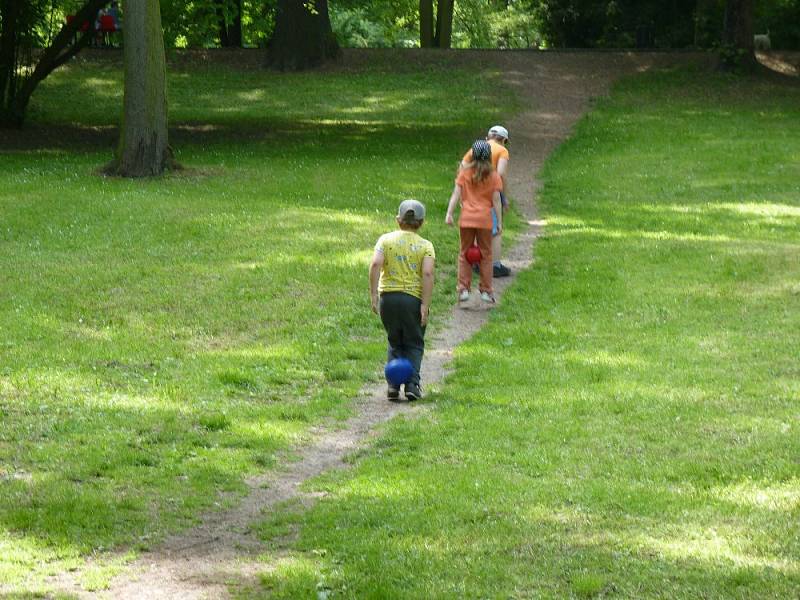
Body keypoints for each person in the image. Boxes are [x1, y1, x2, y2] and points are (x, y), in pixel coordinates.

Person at [369, 199, 435, 401]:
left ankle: (393, 386)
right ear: (421, 222)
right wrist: (425, 304)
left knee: (394, 341)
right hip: (412, 300)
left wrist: (373, 295)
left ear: (398, 220)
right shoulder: (425, 246)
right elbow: (427, 274)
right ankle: (412, 385)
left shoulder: (385, 240)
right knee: (414, 342)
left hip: (388, 299)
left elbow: (375, 264)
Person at [446, 140, 503, 304]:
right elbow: (496, 199)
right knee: (486, 255)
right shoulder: (493, 175)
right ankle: (486, 291)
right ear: (489, 156)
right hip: (485, 219)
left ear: (472, 155)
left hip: (466, 219)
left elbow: (456, 194)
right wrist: (499, 222)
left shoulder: (464, 173)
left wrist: (449, 213)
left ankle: (463, 289)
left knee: (464, 254)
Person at [461, 125, 511, 277]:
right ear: (504, 140)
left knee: (476, 227)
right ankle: (494, 266)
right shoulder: (502, 150)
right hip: (491, 190)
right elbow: (501, 173)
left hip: (472, 192)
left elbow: (463, 166)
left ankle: (476, 261)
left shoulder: (476, 148)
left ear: (487, 136)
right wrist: (504, 195)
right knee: (495, 230)